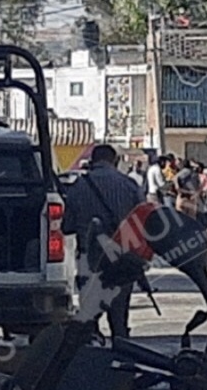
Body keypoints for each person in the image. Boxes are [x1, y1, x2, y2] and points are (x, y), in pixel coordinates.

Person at [60, 144, 144, 339]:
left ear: (93, 161)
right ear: (115, 161)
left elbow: (67, 226)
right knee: (119, 319)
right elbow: (143, 224)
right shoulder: (130, 185)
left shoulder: (78, 187)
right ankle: (123, 360)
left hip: (89, 261)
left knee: (88, 320)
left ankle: (92, 360)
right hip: (122, 259)